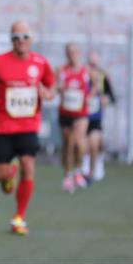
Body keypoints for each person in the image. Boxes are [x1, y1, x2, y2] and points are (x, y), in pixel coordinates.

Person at [0, 21, 55, 236]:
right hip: (4, 127)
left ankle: (19, 217)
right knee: (1, 176)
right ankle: (8, 176)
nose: (21, 41)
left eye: (25, 36)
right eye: (16, 37)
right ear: (11, 40)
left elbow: (51, 85)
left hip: (28, 125)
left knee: (28, 165)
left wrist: (49, 93)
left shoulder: (41, 62)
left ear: (31, 39)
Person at [57, 43, 91, 193]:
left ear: (79, 53)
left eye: (75, 52)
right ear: (66, 54)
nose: (73, 54)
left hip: (81, 112)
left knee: (78, 142)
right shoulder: (61, 70)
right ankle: (68, 175)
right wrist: (59, 89)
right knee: (68, 145)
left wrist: (91, 95)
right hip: (65, 112)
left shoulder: (86, 71)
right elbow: (53, 84)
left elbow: (96, 85)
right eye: (70, 52)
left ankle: (78, 171)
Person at [83, 50, 115, 182]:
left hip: (96, 116)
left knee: (95, 143)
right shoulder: (81, 75)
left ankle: (96, 166)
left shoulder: (103, 75)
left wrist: (105, 100)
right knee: (84, 145)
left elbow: (112, 96)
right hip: (82, 116)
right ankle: (84, 169)